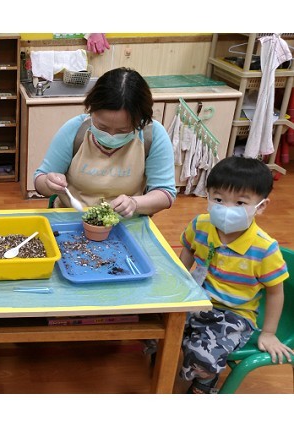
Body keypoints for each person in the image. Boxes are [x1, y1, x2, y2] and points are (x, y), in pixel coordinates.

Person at [178, 156, 293, 393]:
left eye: (240, 202)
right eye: (219, 199)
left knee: (202, 354)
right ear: (208, 195)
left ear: (261, 206)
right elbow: (188, 248)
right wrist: (180, 281)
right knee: (156, 322)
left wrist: (268, 333)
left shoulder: (264, 249)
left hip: (234, 315)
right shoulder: (200, 225)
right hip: (197, 298)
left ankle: (205, 382)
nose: (226, 209)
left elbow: (275, 292)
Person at [33, 67, 176, 218]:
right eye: (102, 127)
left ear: (140, 120)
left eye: (122, 130)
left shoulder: (153, 135)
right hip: (71, 218)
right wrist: (49, 183)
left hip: (126, 222)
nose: (111, 136)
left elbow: (165, 193)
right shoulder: (75, 129)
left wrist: (134, 203)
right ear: (91, 110)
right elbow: (40, 181)